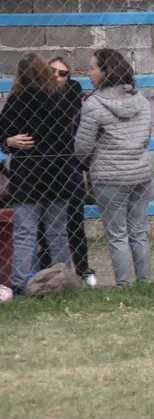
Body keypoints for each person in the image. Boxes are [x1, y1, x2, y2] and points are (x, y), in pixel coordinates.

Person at [0, 53, 78, 296]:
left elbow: (3, 130)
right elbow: (69, 136)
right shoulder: (60, 98)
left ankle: (22, 283)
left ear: (21, 75)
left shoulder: (18, 100)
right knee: (57, 231)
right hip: (59, 171)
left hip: (28, 173)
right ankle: (63, 281)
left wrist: (8, 141)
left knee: (25, 231)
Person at [75, 49, 153, 288]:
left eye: (92, 68)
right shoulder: (141, 100)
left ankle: (123, 284)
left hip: (109, 176)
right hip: (141, 173)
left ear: (105, 71)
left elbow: (82, 147)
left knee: (117, 233)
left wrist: (85, 162)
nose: (88, 73)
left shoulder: (94, 104)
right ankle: (145, 283)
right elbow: (147, 137)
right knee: (139, 231)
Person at [37, 56, 95, 288]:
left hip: (69, 172)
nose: (57, 77)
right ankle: (46, 275)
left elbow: (80, 134)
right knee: (43, 228)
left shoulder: (73, 98)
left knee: (74, 226)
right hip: (40, 173)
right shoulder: (33, 98)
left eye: (63, 73)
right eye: (52, 71)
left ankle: (81, 273)